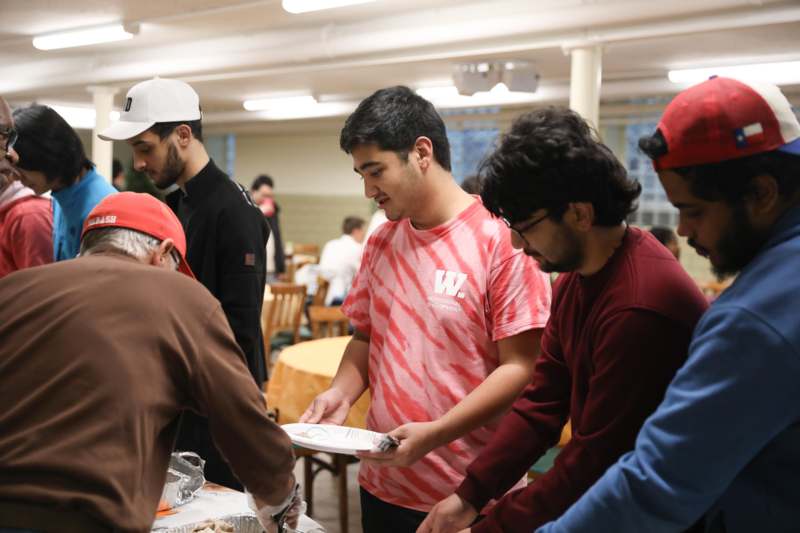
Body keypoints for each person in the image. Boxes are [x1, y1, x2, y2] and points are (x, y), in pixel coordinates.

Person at [419, 107, 709, 533]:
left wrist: (489, 527)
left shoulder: (639, 306)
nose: (517, 243)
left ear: (579, 214)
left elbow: (595, 459)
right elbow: (542, 404)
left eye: (526, 226)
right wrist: (469, 496)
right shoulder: (576, 280)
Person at [537, 77, 800, 533]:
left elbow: (656, 483)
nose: (681, 230)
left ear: (761, 193)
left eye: (694, 210)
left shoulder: (753, 318)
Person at [300, 86, 552, 533]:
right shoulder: (381, 241)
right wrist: (341, 393)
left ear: (421, 152)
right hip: (382, 481)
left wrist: (436, 433)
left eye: (375, 171)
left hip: (469, 493)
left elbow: (520, 368)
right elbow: (366, 337)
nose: (367, 190)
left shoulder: (501, 240)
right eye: (360, 173)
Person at [0, 192, 302, 533]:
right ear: (164, 253)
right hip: (86, 518)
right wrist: (279, 493)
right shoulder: (181, 297)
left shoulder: (11, 289)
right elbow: (242, 417)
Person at [99, 77, 270, 490]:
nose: (138, 163)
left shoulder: (235, 213)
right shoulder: (178, 203)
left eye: (145, 148)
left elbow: (238, 333)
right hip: (180, 396)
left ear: (182, 135)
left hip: (220, 408)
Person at [13, 104, 115, 261]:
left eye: (21, 168)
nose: (17, 178)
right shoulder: (61, 195)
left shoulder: (101, 207)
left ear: (45, 156)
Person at [0, 96, 52, 277]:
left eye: (10, 137)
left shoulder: (29, 215)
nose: (13, 156)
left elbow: (41, 295)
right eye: (1, 134)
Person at [318, 215, 365, 305]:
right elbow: (363, 275)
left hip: (320, 298)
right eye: (362, 231)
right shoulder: (356, 248)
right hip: (338, 300)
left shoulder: (330, 244)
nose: (363, 235)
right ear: (356, 231)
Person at [251, 174, 286, 281]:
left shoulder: (273, 211)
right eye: (264, 195)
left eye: (270, 196)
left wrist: (280, 268)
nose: (267, 199)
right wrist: (259, 213)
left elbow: (277, 238)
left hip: (271, 271)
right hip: (254, 270)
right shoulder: (246, 209)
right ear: (253, 192)